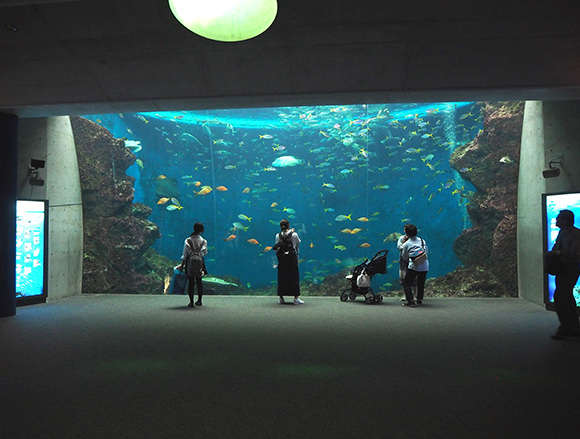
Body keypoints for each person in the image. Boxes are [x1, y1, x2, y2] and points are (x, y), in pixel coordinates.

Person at [548, 210, 580, 340]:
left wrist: (558, 253)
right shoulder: (562, 232)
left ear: (566, 220)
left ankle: (567, 327)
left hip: (570, 268)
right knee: (566, 298)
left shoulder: (576, 234)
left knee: (561, 296)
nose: (556, 220)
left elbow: (576, 253)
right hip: (562, 268)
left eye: (559, 218)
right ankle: (571, 327)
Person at [272, 219, 304, 305]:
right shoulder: (294, 234)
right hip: (292, 259)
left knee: (282, 277)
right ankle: (296, 299)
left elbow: (277, 247)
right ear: (288, 225)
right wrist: (292, 232)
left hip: (282, 260)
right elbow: (298, 243)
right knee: (294, 277)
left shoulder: (277, 236)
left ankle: (281, 298)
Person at [178, 222, 208, 308]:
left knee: (191, 282)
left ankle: (191, 302)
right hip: (200, 262)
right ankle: (199, 300)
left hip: (189, 263)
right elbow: (204, 253)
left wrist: (182, 265)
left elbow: (185, 254)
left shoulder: (188, 240)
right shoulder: (203, 241)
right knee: (199, 282)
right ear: (202, 230)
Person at [400, 224, 429, 307]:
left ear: (407, 233)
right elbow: (426, 252)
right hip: (425, 266)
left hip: (414, 266)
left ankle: (410, 301)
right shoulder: (422, 241)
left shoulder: (407, 244)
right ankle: (419, 299)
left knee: (406, 283)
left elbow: (404, 256)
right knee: (421, 282)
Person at [397, 232, 417, 301]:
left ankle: (415, 295)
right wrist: (405, 243)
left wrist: (405, 244)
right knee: (403, 278)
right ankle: (405, 295)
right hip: (403, 262)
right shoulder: (401, 238)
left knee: (414, 279)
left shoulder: (415, 240)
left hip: (412, 261)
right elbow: (399, 247)